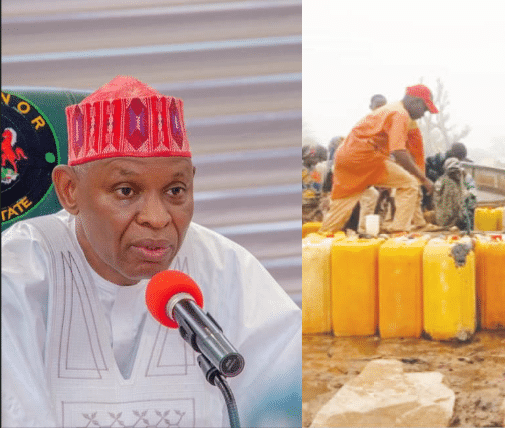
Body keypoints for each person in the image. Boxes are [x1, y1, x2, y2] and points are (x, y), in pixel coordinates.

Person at [1, 76, 301, 428]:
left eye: (175, 190)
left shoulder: (225, 267)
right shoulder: (21, 272)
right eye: (126, 190)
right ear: (70, 190)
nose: (158, 219)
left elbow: (285, 399)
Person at [319, 84, 438, 234]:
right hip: (367, 158)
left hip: (346, 157)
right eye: (425, 109)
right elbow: (399, 151)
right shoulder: (400, 114)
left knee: (339, 211)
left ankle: (318, 243)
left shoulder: (391, 109)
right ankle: (398, 233)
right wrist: (424, 180)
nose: (423, 114)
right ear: (416, 102)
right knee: (410, 184)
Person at [433, 157, 466, 228]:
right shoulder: (449, 183)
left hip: (444, 218)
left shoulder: (441, 180)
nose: (457, 173)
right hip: (448, 220)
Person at [302, 143, 327, 222]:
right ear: (306, 156)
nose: (317, 160)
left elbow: (319, 186)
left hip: (315, 205)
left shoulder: (315, 170)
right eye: (314, 158)